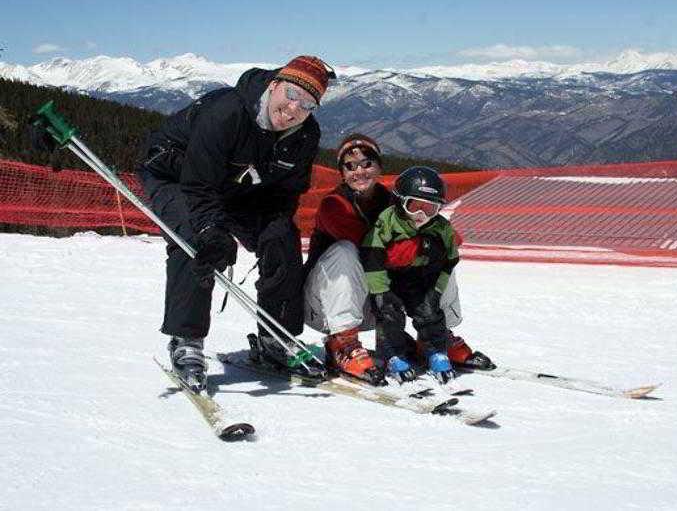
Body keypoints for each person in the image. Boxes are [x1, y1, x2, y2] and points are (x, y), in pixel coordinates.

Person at [137, 55, 333, 391]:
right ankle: (187, 340)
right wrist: (212, 230)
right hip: (176, 172)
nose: (293, 109)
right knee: (195, 240)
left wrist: (271, 231)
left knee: (281, 236)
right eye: (290, 94)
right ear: (273, 86)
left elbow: (287, 192)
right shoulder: (227, 113)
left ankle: (277, 337)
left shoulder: (304, 135)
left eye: (307, 104)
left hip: (238, 185)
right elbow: (198, 185)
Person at [303, 139, 492, 385]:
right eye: (350, 166)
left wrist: (436, 244)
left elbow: (450, 239)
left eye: (366, 163)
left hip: (375, 301)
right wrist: (422, 244)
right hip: (325, 305)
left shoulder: (396, 200)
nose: (359, 171)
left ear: (379, 167)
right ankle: (343, 342)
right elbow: (370, 249)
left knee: (440, 257)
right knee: (346, 251)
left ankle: (434, 337)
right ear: (342, 173)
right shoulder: (334, 205)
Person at [361, 166, 495, 384]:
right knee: (389, 314)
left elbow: (449, 262)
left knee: (430, 312)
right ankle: (393, 354)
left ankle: (435, 351)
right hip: (389, 281)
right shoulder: (386, 222)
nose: (421, 216)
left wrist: (437, 290)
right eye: (414, 206)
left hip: (419, 281)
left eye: (430, 209)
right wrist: (380, 292)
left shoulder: (441, 229)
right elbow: (372, 258)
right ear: (400, 201)